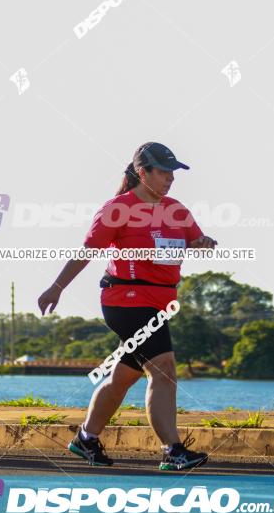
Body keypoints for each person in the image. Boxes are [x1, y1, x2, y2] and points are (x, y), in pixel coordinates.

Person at [37, 142, 216, 471]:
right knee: (164, 369)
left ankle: (86, 438)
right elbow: (88, 250)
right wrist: (56, 287)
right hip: (126, 300)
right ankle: (172, 451)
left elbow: (193, 240)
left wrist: (202, 242)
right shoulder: (118, 208)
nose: (170, 179)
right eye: (163, 172)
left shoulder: (177, 209)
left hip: (160, 304)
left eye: (173, 172)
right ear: (141, 172)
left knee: (124, 377)